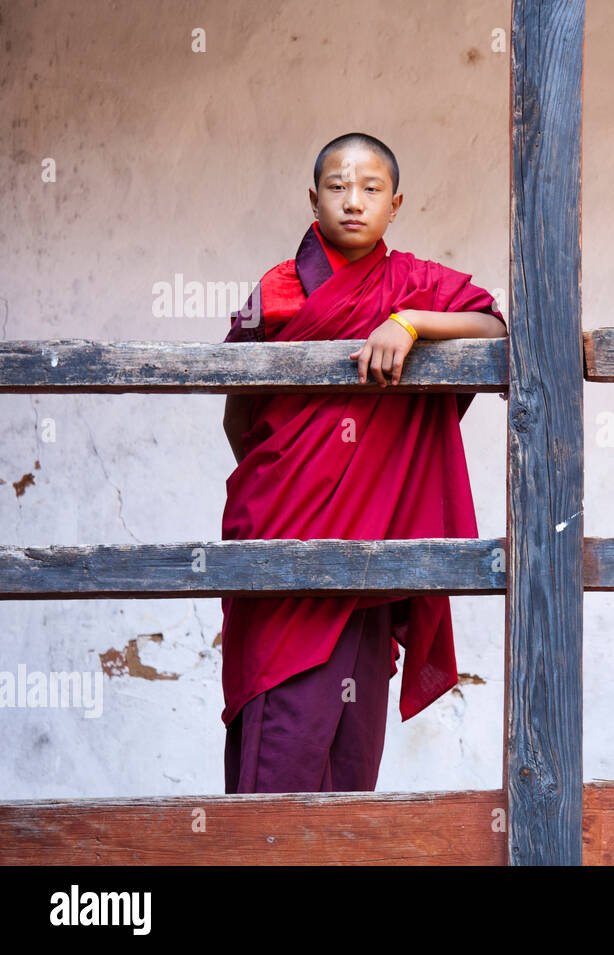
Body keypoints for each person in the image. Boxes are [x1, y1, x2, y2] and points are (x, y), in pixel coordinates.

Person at [219, 132, 506, 794]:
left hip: (372, 550)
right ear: (313, 197)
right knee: (279, 748)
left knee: (351, 762)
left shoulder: (414, 284)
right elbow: (240, 414)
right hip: (283, 539)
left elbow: (494, 326)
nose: (354, 202)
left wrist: (410, 323)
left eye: (370, 189)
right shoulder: (279, 292)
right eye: (338, 187)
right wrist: (295, 487)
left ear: (395, 202)